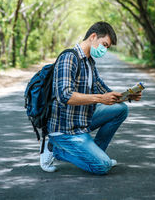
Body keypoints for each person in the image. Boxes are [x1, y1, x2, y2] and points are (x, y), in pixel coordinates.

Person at [40, 21, 142, 174]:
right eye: (104, 44)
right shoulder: (69, 58)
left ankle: (95, 153)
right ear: (93, 36)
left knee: (121, 109)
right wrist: (100, 99)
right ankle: (54, 149)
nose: (104, 50)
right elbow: (64, 95)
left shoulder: (90, 63)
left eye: (107, 47)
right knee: (102, 167)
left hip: (80, 121)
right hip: (64, 129)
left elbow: (105, 92)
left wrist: (128, 96)